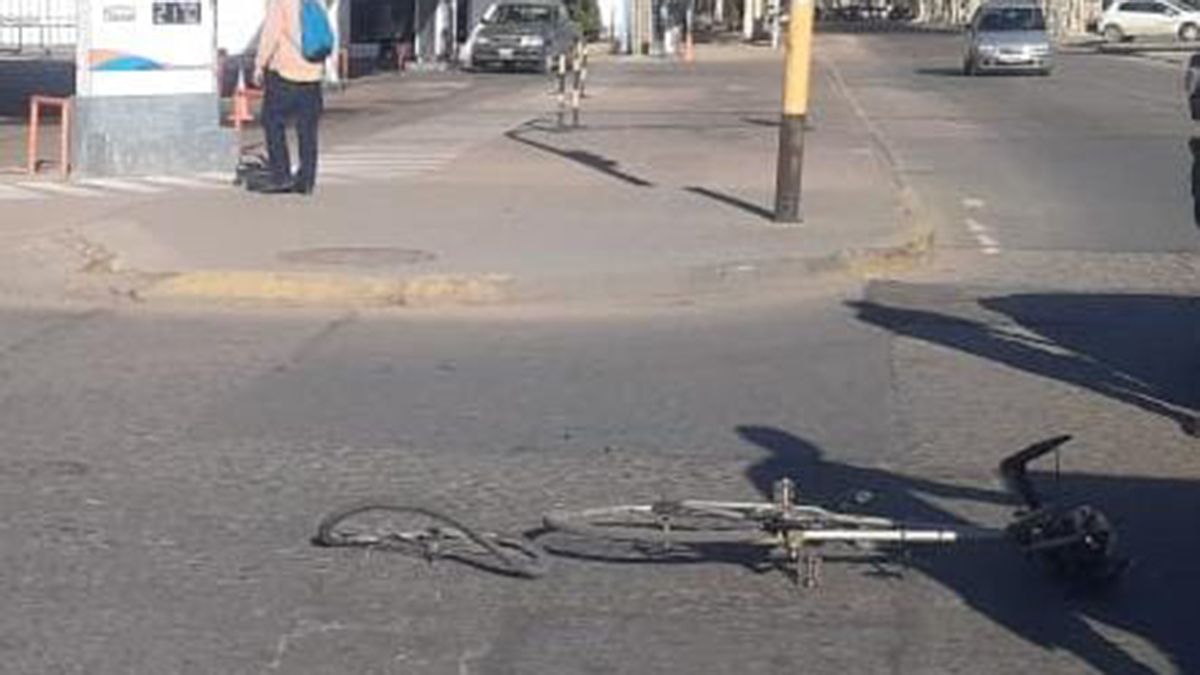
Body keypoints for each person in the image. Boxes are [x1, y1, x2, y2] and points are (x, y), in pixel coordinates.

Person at [254, 0, 325, 195]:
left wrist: (259, 64)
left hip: (286, 72)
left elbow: (271, 33)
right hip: (313, 74)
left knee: (272, 121)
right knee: (308, 130)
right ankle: (307, 180)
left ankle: (281, 176)